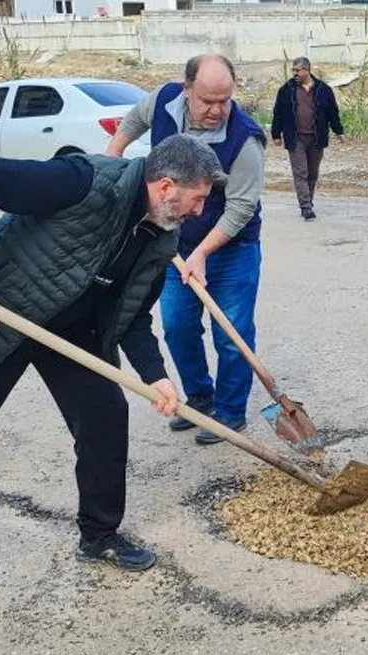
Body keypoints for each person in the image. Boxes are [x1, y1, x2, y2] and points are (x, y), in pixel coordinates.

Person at [0, 134, 226, 608]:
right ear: (166, 187)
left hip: (70, 329)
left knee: (104, 416)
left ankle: (99, 535)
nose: (200, 213)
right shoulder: (81, 182)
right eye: (198, 199)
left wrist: (155, 375)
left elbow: (133, 315)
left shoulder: (161, 235)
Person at [105, 54, 267, 446]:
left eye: (225, 100)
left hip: (232, 248)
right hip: (174, 243)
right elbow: (133, 120)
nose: (217, 110)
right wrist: (113, 154)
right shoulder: (162, 101)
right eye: (208, 101)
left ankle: (229, 414)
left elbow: (242, 207)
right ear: (186, 90)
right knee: (177, 327)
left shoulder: (245, 138)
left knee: (232, 334)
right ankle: (200, 399)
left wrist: (203, 254)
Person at [270, 56, 344, 220]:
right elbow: (278, 113)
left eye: (298, 70)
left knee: (312, 173)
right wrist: (276, 134)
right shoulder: (286, 90)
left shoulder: (323, 90)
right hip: (295, 137)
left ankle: (308, 200)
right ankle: (305, 206)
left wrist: (338, 131)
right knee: (300, 172)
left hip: (317, 137)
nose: (295, 73)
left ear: (307, 70)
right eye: (293, 70)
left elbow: (332, 112)